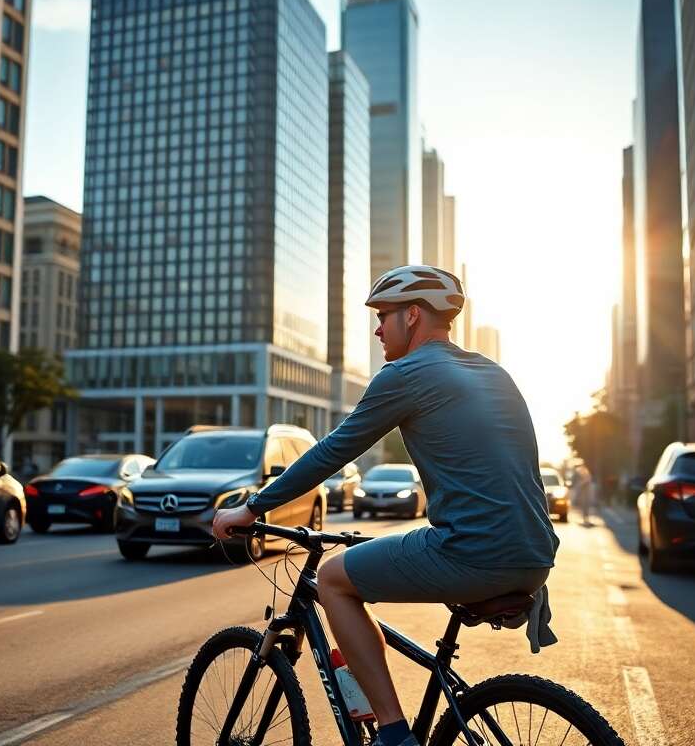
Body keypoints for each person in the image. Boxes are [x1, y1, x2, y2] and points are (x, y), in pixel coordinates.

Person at [213, 265, 560, 746]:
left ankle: (393, 735)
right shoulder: (492, 371)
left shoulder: (405, 374)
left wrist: (251, 509)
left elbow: (331, 451)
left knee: (333, 579)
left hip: (474, 552)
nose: (377, 328)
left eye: (383, 316)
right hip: (536, 554)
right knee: (361, 569)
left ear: (413, 316)